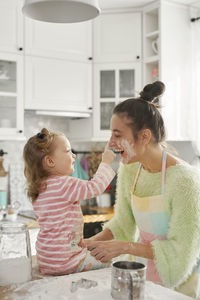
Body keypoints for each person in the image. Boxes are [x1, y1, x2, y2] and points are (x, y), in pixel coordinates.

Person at [85, 81, 200, 299]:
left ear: (145, 136)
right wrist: (91, 243)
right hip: (140, 275)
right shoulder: (131, 169)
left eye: (118, 135)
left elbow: (180, 252)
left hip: (178, 284)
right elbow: (122, 223)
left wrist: (125, 246)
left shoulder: (186, 182)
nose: (111, 143)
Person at [23, 128, 116, 276]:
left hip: (47, 261)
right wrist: (105, 162)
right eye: (67, 151)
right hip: (68, 261)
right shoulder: (64, 184)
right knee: (109, 264)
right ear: (50, 161)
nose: (73, 155)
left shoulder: (40, 187)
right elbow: (94, 187)